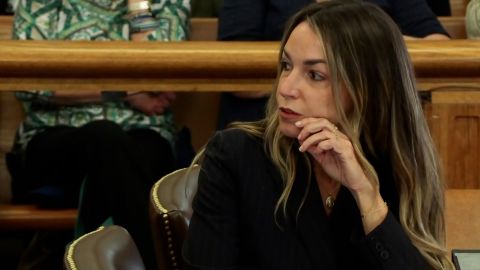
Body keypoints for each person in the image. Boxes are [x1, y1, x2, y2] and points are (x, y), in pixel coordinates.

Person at [183, 1, 453, 269]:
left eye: (315, 75)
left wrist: (366, 196)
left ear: (366, 87)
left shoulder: (398, 162)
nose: (286, 88)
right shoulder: (236, 156)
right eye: (286, 65)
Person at [8, 0, 190, 269]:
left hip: (144, 136)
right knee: (106, 139)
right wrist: (123, 93)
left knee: (118, 159)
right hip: (57, 139)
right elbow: (29, 81)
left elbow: (161, 75)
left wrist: (138, 7)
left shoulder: (164, 4)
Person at [216, 0, 450, 130]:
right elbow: (231, 63)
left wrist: (364, 48)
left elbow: (442, 49)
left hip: (368, 130)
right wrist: (313, 69)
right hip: (272, 130)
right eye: (287, 65)